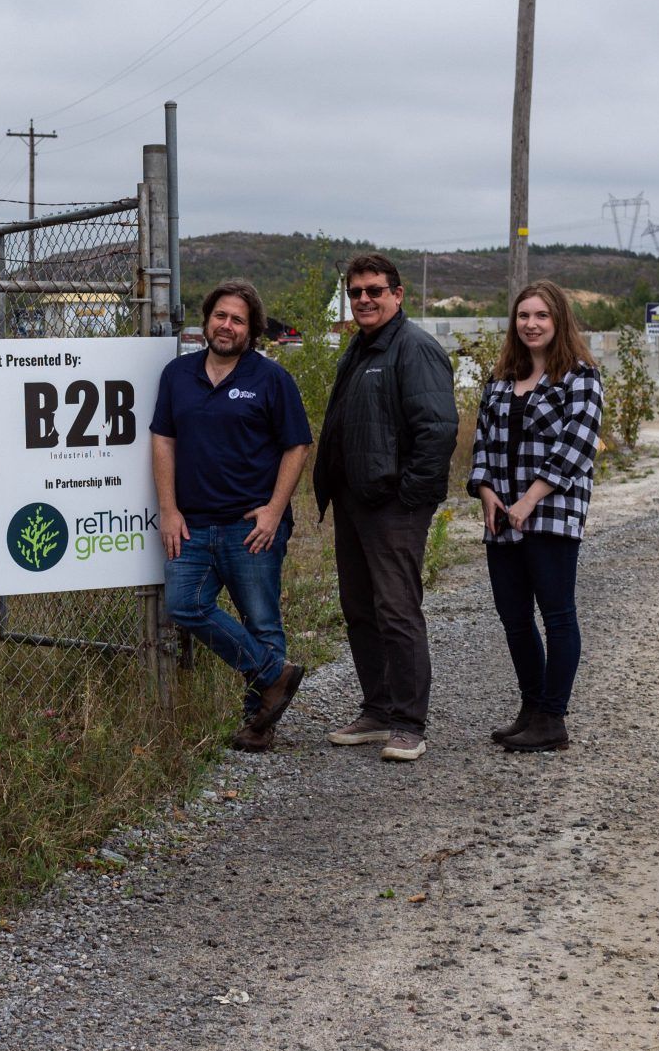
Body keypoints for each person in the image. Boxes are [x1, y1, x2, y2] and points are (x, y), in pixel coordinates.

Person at [153, 280, 314, 752]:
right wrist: (168, 509)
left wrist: (274, 511)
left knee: (262, 620)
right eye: (220, 315)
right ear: (206, 320)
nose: (227, 325)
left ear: (253, 329)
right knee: (184, 605)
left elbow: (297, 444)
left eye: (238, 319)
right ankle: (273, 674)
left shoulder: (270, 379)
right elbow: (163, 439)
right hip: (193, 524)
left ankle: (257, 726)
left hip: (251, 526)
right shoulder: (178, 375)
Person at [313, 253, 459, 763]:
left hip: (393, 506)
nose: (364, 300)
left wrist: (410, 498)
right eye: (356, 293)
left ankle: (408, 724)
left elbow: (437, 431)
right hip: (356, 501)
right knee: (359, 608)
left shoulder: (414, 348)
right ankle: (377, 710)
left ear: (398, 295)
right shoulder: (359, 347)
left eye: (374, 290)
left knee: (396, 610)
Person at [467, 280, 605, 754]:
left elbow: (577, 448)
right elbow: (482, 442)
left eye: (541, 316)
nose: (531, 324)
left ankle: (553, 718)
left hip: (552, 516)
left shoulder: (580, 377)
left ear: (558, 320)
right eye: (524, 316)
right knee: (514, 618)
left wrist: (530, 500)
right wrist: (486, 492)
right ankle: (530, 708)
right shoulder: (502, 378)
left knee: (557, 615)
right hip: (502, 518)